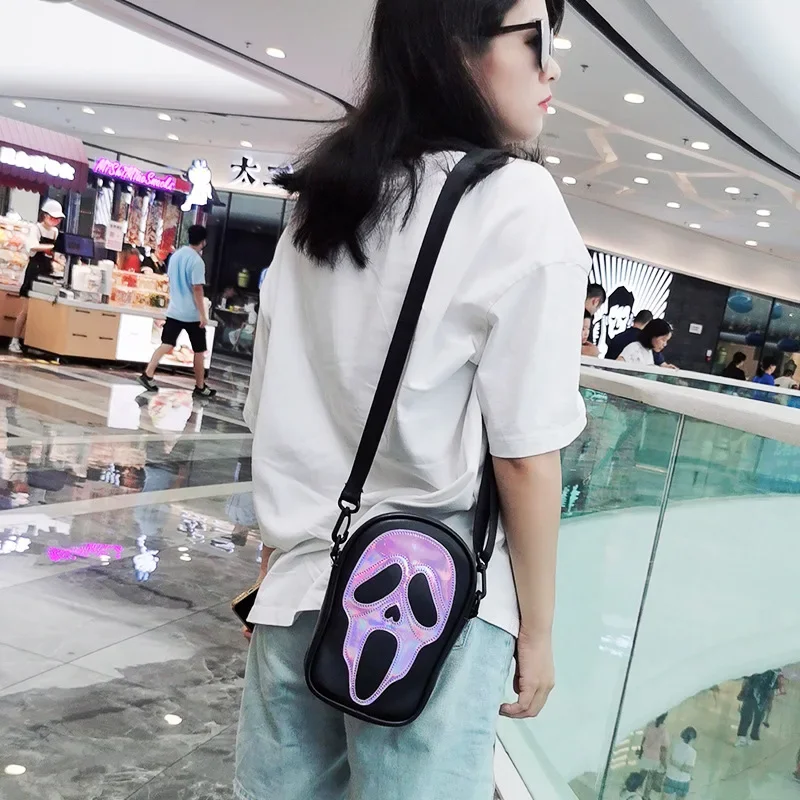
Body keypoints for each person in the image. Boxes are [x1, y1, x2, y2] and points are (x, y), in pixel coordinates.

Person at [235, 1, 589, 798]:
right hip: (432, 610)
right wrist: (537, 632)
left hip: (298, 587)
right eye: (534, 40)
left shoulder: (327, 198)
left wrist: (274, 574)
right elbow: (526, 456)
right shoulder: (517, 203)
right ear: (454, 46)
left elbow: (276, 418)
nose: (552, 65)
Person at [139, 225, 216, 398]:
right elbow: (197, 288)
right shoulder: (197, 261)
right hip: (191, 314)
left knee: (166, 343)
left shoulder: (176, 256)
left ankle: (148, 374)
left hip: (174, 310)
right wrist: (202, 314)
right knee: (199, 350)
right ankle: (200, 386)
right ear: (203, 242)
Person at [9, 199, 65, 354]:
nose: (55, 221)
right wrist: (50, 247)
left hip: (47, 271)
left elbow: (56, 253)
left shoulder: (55, 233)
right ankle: (15, 340)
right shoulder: (36, 229)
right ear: (44, 215)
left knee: (42, 310)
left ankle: (37, 343)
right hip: (33, 271)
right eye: (53, 217)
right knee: (26, 310)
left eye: (58, 219)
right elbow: (32, 246)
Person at [736, 670, 779, 746]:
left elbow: (773, 685)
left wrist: (770, 698)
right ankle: (742, 736)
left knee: (758, 717)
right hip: (751, 692)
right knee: (746, 714)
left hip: (763, 695)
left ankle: (752, 736)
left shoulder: (773, 672)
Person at [639, 713, 670, 800]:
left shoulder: (649, 725)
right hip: (655, 758)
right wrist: (664, 763)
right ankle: (646, 796)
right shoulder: (664, 730)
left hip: (645, 755)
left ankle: (637, 791)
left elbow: (643, 739)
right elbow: (663, 749)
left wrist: (641, 752)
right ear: (665, 718)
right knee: (650, 778)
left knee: (642, 774)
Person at [663, 727, 697, 799]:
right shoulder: (692, 752)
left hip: (670, 777)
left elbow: (669, 759)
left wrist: (674, 763)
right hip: (683, 781)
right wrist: (679, 766)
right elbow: (688, 769)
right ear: (692, 739)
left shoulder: (675, 745)